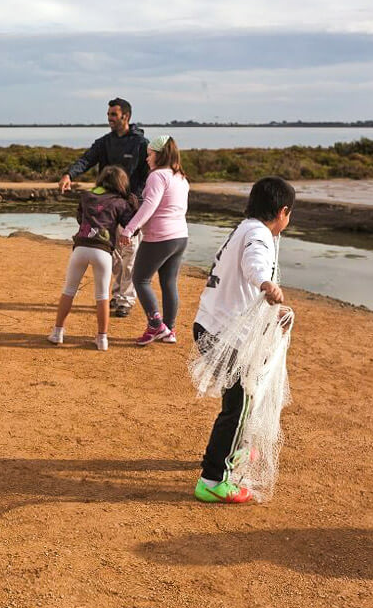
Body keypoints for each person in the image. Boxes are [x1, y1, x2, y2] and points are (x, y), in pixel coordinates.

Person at [191, 176, 295, 503]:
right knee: (240, 404)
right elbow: (255, 264)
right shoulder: (259, 235)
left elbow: (242, 280)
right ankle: (212, 480)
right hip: (222, 333)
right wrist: (266, 283)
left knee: (239, 400)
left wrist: (270, 306)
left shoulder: (245, 227)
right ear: (283, 211)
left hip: (211, 326)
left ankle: (230, 452)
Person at [59, 97, 149, 319]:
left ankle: (125, 300)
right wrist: (69, 174)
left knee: (130, 254)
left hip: (131, 206)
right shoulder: (104, 142)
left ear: (125, 116)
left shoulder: (140, 143)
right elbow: (86, 159)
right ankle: (116, 296)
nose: (109, 118)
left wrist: (140, 201)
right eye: (108, 114)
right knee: (113, 254)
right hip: (107, 206)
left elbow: (150, 173)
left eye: (113, 115)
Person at [48, 166, 138, 351]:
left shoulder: (87, 196)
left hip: (80, 248)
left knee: (69, 291)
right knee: (102, 296)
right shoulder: (120, 202)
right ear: (121, 183)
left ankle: (57, 332)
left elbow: (80, 218)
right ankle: (102, 339)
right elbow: (132, 228)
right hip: (103, 252)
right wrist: (133, 204)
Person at [119, 135, 190, 345]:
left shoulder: (157, 176)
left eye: (149, 154)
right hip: (180, 236)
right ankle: (169, 329)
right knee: (169, 283)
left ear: (160, 154)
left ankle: (156, 325)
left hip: (160, 237)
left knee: (140, 279)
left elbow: (149, 205)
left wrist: (129, 229)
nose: (147, 159)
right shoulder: (181, 177)